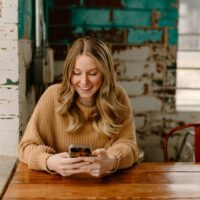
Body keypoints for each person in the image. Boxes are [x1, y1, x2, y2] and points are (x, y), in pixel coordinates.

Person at [18, 37, 139, 177]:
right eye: (76, 73)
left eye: (93, 73)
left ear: (106, 74)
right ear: (68, 72)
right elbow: (26, 147)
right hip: (57, 188)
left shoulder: (118, 97)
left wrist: (111, 162)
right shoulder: (52, 96)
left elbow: (130, 147)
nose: (84, 82)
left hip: (105, 188)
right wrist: (49, 162)